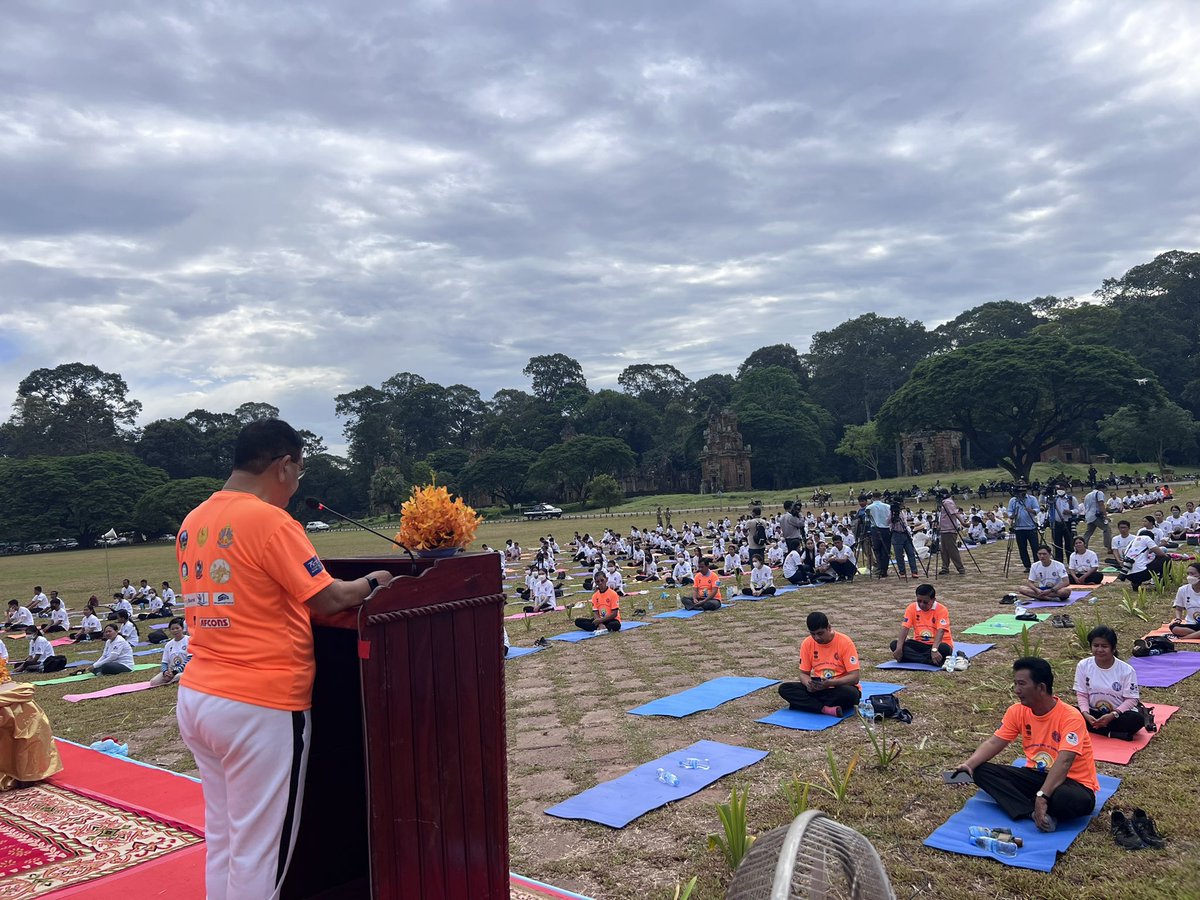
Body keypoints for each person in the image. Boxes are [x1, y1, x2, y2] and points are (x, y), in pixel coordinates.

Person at [174, 419, 394, 899]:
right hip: (259, 705)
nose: (296, 486)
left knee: (226, 840)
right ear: (284, 464)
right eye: (299, 472)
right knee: (261, 854)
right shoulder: (269, 520)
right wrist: (377, 582)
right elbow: (330, 599)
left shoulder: (194, 520)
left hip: (199, 695)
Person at [952, 657, 1099, 832]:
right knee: (980, 770)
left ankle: (1036, 802)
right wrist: (968, 765)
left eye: (1022, 684)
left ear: (1041, 688)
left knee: (1065, 799)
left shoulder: (1071, 717)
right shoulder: (1017, 711)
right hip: (1036, 775)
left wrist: (1042, 795)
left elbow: (1065, 761)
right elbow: (995, 742)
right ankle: (1033, 813)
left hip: (1072, 782)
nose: (1016, 690)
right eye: (1015, 684)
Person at [777, 612, 861, 717]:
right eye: (813, 634)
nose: (816, 638)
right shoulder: (807, 643)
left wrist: (831, 683)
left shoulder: (845, 642)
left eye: (820, 633)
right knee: (785, 689)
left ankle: (808, 705)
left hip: (839, 688)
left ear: (829, 628)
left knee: (850, 694)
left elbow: (854, 677)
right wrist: (809, 684)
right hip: (819, 689)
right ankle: (825, 709)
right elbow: (803, 674)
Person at [1074, 626, 1144, 741]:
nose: (1100, 650)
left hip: (1117, 715)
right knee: (1071, 713)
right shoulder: (1083, 665)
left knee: (1137, 720)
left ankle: (1096, 729)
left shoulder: (1126, 670)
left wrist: (1113, 715)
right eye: (1096, 645)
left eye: (1104, 646)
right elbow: (1082, 694)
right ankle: (1111, 733)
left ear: (1113, 648)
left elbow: (1132, 699)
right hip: (1092, 713)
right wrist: (1086, 714)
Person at [891, 583, 957, 668]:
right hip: (920, 643)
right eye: (919, 601)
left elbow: (941, 631)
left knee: (944, 649)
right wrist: (899, 648)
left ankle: (912, 658)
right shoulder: (911, 608)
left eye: (925, 602)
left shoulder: (941, 609)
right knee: (895, 644)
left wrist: (934, 650)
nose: (922, 604)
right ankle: (930, 661)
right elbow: (905, 628)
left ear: (933, 600)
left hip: (938, 645)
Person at [1007, 484, 1041, 572]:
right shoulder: (1013, 500)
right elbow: (1009, 511)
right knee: (1022, 548)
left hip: (1031, 527)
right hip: (1019, 528)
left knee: (1035, 547)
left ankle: (1037, 565)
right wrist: (1012, 515)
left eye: (1023, 491)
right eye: (1019, 492)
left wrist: (1031, 510)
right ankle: (1027, 566)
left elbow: (1037, 509)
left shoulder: (1032, 499)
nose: (1021, 493)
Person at [149, 617, 191, 687]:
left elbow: (190, 660)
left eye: (177, 628)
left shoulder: (189, 640)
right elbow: (164, 662)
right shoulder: (168, 645)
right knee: (153, 682)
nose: (175, 631)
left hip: (185, 670)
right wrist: (165, 672)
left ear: (182, 628)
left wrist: (175, 671)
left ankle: (171, 682)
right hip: (171, 671)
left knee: (179, 676)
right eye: (172, 629)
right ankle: (171, 680)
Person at [936, 491, 968, 576]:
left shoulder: (947, 502)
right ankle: (945, 567)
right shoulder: (944, 503)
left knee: (952, 549)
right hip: (944, 529)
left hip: (949, 529)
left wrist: (962, 523)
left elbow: (955, 513)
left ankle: (960, 567)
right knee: (944, 550)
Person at [1048, 484, 1079, 562]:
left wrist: (1070, 512)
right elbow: (1042, 500)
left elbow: (1077, 510)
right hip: (1057, 524)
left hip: (1068, 522)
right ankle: (1059, 561)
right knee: (1057, 544)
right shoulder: (1053, 499)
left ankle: (1071, 561)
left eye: (1062, 488)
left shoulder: (1071, 499)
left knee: (1069, 543)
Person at [1169, 562, 1200, 637]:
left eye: (1192, 574)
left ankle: (1188, 637)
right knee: (1174, 627)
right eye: (1188, 573)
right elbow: (1178, 608)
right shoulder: (1183, 590)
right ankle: (1196, 634)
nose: (1189, 576)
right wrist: (1178, 618)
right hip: (1191, 624)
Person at [866, 492, 892, 577]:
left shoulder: (869, 507)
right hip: (886, 529)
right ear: (881, 497)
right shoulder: (887, 506)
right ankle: (884, 569)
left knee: (877, 550)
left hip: (875, 529)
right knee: (886, 550)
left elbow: (867, 520)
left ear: (872, 498)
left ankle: (880, 568)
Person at [1081, 486, 1111, 552]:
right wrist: (1105, 516)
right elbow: (1101, 504)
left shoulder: (1087, 495)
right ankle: (1109, 546)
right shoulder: (1099, 493)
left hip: (1088, 516)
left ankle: (1083, 545)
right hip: (1095, 515)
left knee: (1088, 532)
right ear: (1102, 488)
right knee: (1106, 529)